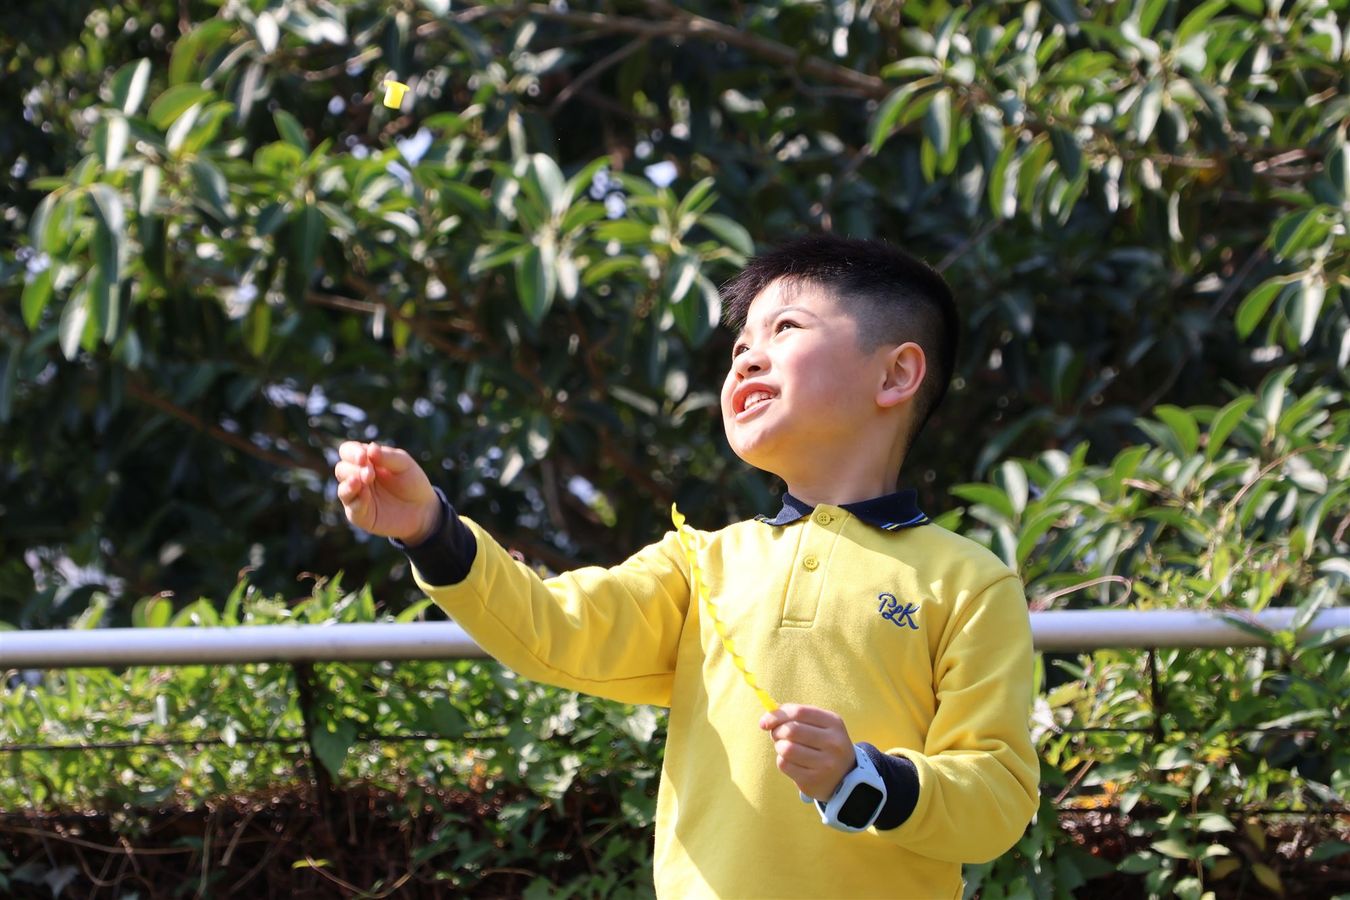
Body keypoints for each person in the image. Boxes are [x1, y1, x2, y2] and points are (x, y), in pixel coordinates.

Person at [335, 234, 1039, 898]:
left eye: (786, 329)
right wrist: (430, 532)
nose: (747, 360)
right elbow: (552, 628)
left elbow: (998, 797)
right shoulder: (700, 563)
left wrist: (865, 780)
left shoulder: (970, 583)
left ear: (896, 374)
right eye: (741, 345)